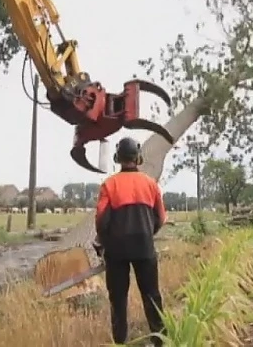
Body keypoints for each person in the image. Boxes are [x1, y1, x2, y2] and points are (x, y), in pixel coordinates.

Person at [95, 136, 167, 347]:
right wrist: (147, 232)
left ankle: (120, 342)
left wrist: (104, 242)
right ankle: (160, 340)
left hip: (116, 252)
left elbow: (101, 219)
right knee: (152, 296)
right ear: (138, 158)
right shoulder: (150, 184)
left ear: (118, 158)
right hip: (145, 248)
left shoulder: (109, 185)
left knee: (118, 299)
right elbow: (161, 218)